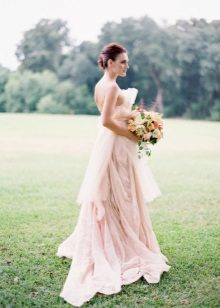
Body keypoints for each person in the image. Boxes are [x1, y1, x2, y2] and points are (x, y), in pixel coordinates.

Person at [56, 43, 171, 307]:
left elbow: (116, 115)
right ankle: (123, 243)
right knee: (122, 193)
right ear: (109, 62)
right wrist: (134, 134)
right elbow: (107, 121)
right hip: (116, 146)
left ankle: (122, 233)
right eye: (122, 62)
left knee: (117, 193)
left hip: (112, 144)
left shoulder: (102, 85)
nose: (126, 66)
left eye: (127, 62)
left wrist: (143, 121)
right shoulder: (109, 87)